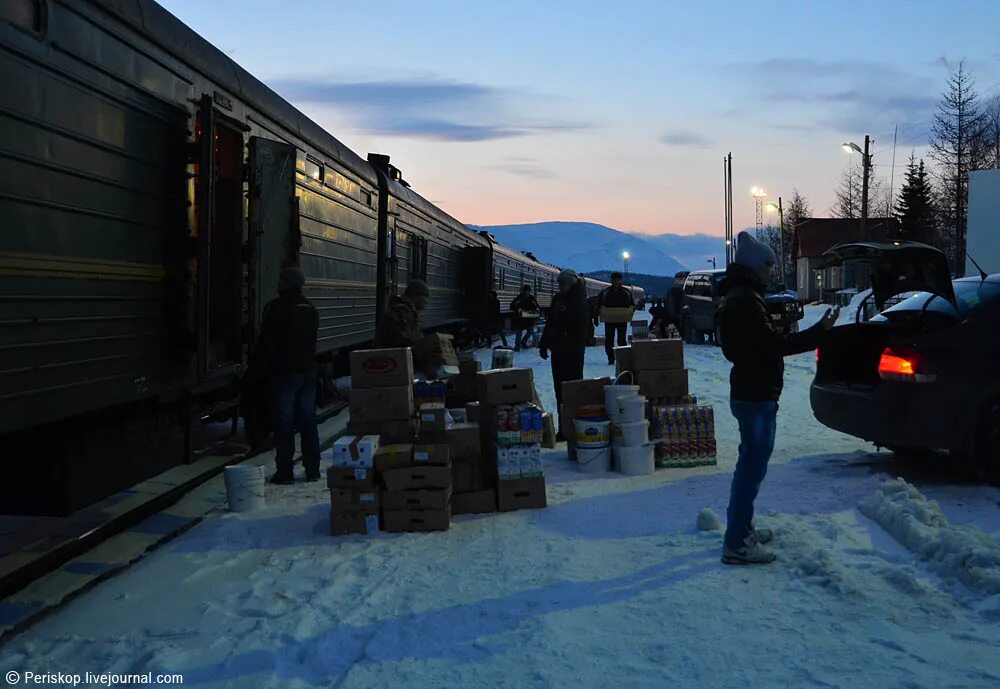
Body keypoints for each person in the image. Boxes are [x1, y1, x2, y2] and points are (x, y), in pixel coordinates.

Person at [717, 232, 839, 565]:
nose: (772, 271)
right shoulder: (745, 301)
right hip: (755, 394)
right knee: (751, 469)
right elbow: (771, 346)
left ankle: (741, 528)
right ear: (754, 267)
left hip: (751, 391)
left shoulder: (740, 296)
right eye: (768, 265)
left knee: (750, 467)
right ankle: (737, 542)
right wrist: (818, 334)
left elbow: (760, 343)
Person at [252, 266, 321, 485]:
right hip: (308, 371)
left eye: (280, 280)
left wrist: (259, 372)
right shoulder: (310, 308)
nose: (277, 283)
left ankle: (285, 472)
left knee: (284, 423)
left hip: (285, 373)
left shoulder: (276, 308)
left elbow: (267, 343)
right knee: (309, 421)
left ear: (285, 283)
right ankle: (313, 469)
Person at [539, 269, 590, 441]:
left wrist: (570, 341)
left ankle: (574, 427)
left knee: (572, 390)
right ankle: (564, 428)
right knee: (559, 390)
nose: (560, 287)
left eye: (563, 284)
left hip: (573, 353)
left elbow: (584, 330)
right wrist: (544, 343)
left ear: (571, 283)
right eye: (559, 284)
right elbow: (551, 322)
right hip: (558, 351)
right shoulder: (558, 299)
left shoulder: (580, 301)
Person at [375, 279, 428, 350]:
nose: (427, 301)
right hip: (392, 357)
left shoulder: (408, 312)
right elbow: (404, 341)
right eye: (425, 297)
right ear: (416, 296)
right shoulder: (400, 313)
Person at [598, 272, 634, 364]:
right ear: (612, 280)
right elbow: (632, 305)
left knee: (619, 339)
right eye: (615, 280)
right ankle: (612, 358)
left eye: (618, 280)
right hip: (620, 319)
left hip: (611, 319)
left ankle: (619, 358)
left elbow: (600, 304)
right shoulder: (626, 292)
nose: (616, 281)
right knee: (611, 339)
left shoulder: (606, 292)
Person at [510, 285, 540, 351]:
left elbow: (537, 307)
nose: (527, 292)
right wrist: (517, 309)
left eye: (528, 291)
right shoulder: (519, 298)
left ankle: (523, 342)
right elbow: (512, 306)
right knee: (518, 333)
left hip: (529, 318)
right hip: (520, 319)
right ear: (524, 291)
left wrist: (535, 310)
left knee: (530, 332)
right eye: (526, 291)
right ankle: (517, 347)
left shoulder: (532, 299)